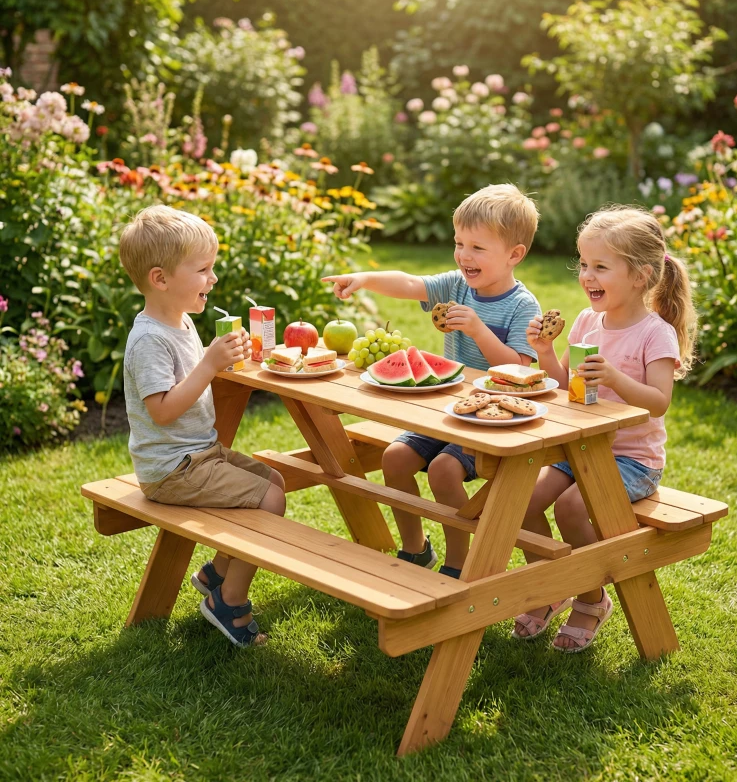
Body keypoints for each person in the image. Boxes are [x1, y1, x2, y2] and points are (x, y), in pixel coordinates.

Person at [323, 183, 541, 578]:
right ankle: (415, 548)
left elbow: (518, 372)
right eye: (459, 243)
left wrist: (478, 331)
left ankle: (459, 561)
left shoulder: (523, 306)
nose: (463, 255)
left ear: (514, 255)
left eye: (477, 247)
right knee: (395, 458)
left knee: (443, 470)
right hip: (449, 409)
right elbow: (410, 283)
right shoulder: (457, 285)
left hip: (492, 420)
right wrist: (364, 278)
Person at [512, 205, 696, 652]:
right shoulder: (586, 322)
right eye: (583, 264)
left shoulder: (655, 334)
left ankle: (591, 599)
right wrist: (545, 351)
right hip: (581, 449)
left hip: (633, 461)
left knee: (571, 509)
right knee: (523, 501)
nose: (587, 275)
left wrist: (615, 378)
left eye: (600, 267)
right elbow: (566, 386)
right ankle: (550, 585)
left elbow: (659, 401)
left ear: (640, 276)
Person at [120, 204, 286, 647]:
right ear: (161, 279)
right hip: (172, 469)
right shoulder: (149, 340)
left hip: (198, 454)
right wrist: (210, 364)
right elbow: (162, 411)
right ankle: (228, 602)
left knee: (274, 480)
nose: (212, 279)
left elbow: (193, 382)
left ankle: (216, 571)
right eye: (203, 270)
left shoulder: (182, 321)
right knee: (271, 501)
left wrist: (226, 359)